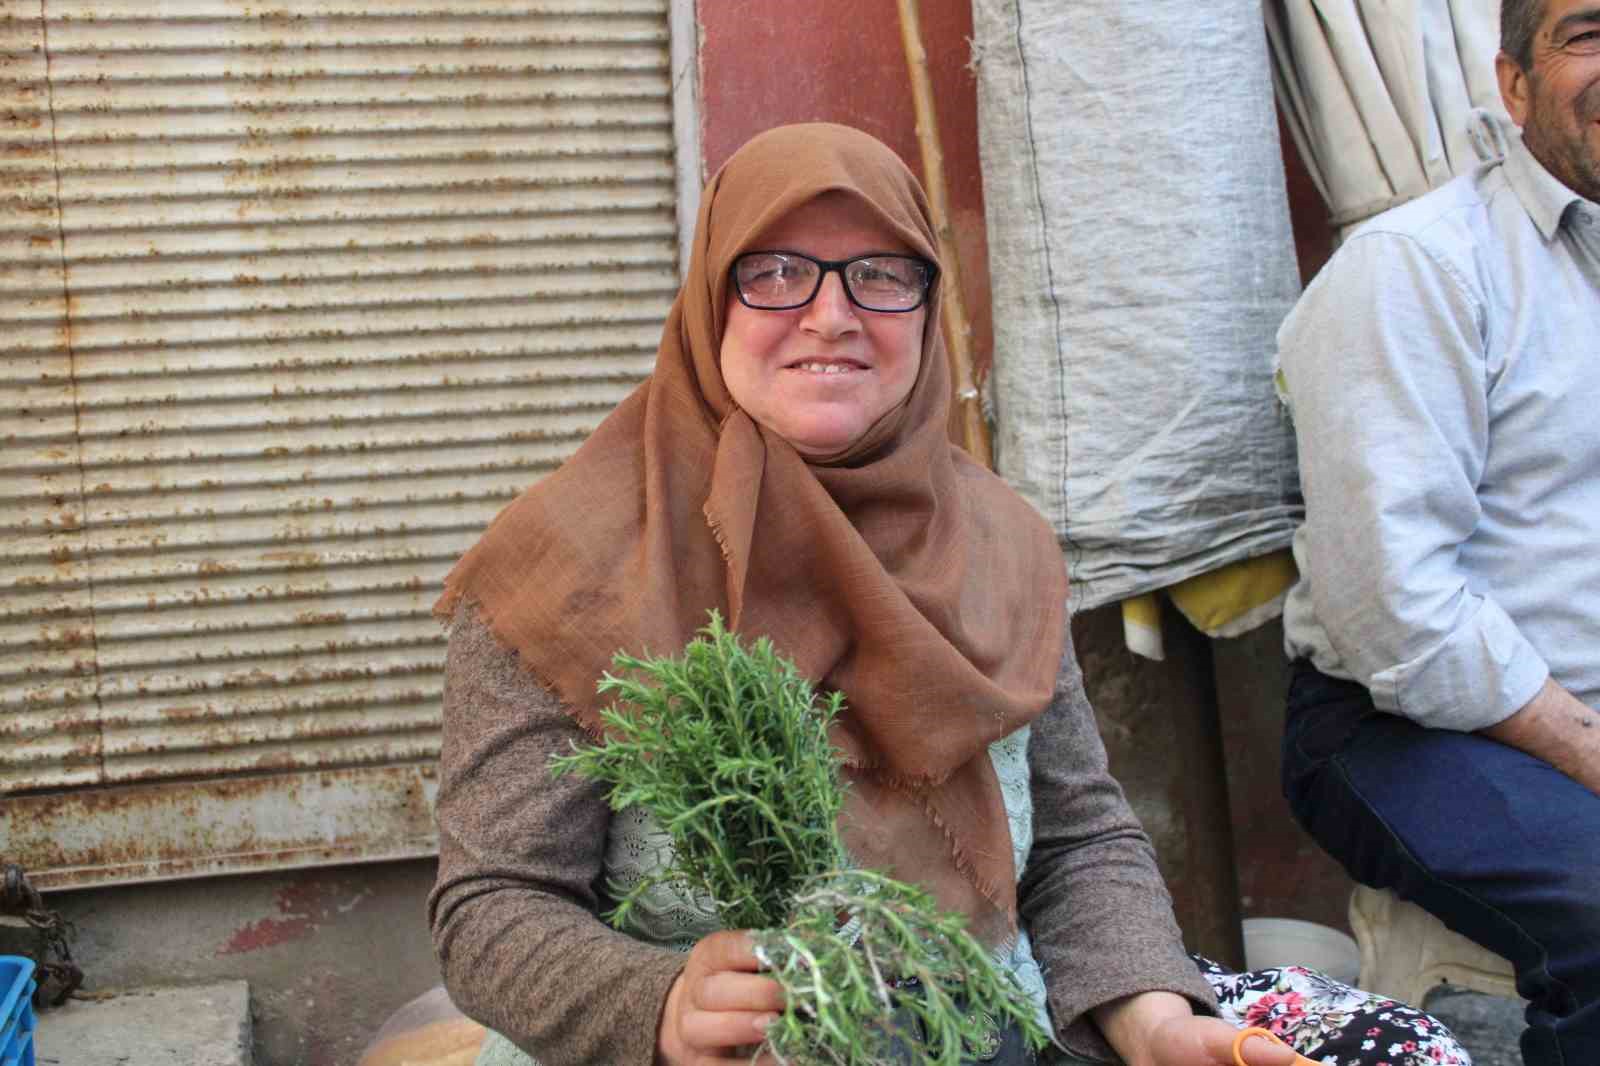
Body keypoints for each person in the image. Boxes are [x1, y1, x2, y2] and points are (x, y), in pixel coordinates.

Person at [428, 122, 1466, 1066]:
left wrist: (1151, 1012)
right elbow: (491, 906)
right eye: (777, 272)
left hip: (987, 1032)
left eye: (881, 275)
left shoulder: (997, 541)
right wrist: (662, 1001)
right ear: (710, 298)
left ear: (927, 307)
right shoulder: (568, 564)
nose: (830, 316)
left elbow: (1075, 837)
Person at [1275, 1, 1600, 1063]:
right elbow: (1398, 617)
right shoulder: (1418, 266)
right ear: (1509, 85)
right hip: (1405, 723)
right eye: (1585, 34)